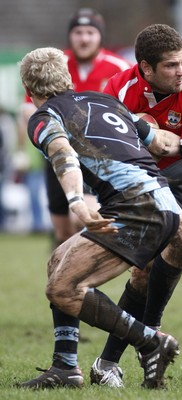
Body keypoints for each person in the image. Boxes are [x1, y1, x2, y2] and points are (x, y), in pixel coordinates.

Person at [18, 47, 182, 389]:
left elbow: (63, 154)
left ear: (28, 90)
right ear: (66, 76)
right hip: (164, 207)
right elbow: (161, 144)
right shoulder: (104, 100)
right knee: (58, 263)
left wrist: (76, 202)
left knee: (62, 289)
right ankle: (65, 367)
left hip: (136, 209)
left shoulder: (44, 116)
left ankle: (151, 342)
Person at [88, 23, 182, 387]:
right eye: (171, 66)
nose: (181, 72)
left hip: (177, 181)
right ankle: (123, 354)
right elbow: (103, 151)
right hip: (128, 185)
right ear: (145, 68)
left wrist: (152, 179)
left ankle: (145, 336)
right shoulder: (117, 90)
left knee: (180, 244)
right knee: (143, 270)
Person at [18, 8, 132, 389]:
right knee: (63, 237)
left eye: (90, 32)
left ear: (99, 36)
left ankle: (79, 300)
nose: (84, 38)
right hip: (58, 163)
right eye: (78, 32)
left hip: (97, 166)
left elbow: (122, 115)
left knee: (90, 237)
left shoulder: (116, 67)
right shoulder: (50, 65)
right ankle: (70, 304)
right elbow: (28, 109)